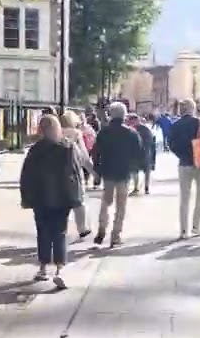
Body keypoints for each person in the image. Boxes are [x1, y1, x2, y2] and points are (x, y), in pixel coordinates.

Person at [20, 114, 84, 283]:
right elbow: (76, 173)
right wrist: (77, 197)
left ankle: (43, 268)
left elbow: (26, 175)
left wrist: (26, 197)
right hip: (62, 197)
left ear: (41, 129)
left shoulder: (36, 149)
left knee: (43, 232)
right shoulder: (67, 147)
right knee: (60, 232)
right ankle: (60, 268)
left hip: (40, 198)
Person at [90, 101, 143, 247]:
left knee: (106, 201)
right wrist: (133, 167)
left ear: (111, 115)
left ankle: (101, 229)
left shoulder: (103, 132)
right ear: (124, 115)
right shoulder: (131, 133)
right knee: (121, 205)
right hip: (123, 172)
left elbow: (95, 152)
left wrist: (97, 169)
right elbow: (139, 153)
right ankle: (116, 235)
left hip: (108, 171)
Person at [168, 99, 200, 239]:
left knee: (184, 198)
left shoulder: (176, 125)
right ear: (193, 108)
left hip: (184, 164)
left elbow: (171, 144)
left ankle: (183, 230)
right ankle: (196, 227)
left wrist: (182, 154)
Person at [60, 111, 95, 240]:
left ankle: (61, 231)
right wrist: (94, 172)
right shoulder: (77, 134)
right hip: (74, 172)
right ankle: (82, 229)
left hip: (58, 173)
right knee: (79, 202)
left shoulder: (57, 133)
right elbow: (84, 157)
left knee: (61, 203)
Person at [128, 113, 156, 195]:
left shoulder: (144, 129)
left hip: (143, 153)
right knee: (136, 170)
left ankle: (145, 187)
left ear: (136, 120)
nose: (130, 123)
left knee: (143, 170)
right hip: (139, 153)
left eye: (132, 121)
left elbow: (150, 142)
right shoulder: (133, 129)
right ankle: (138, 187)